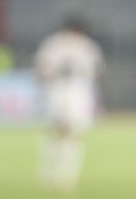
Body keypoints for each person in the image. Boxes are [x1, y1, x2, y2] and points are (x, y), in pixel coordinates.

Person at [34, 17, 104, 192]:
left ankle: (49, 172)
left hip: (58, 88)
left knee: (55, 133)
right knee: (72, 135)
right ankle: (66, 177)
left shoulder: (53, 42)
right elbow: (97, 72)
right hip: (77, 90)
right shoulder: (87, 45)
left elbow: (41, 69)